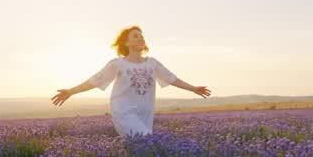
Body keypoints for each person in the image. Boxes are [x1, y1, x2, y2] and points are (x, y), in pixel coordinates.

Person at [51, 25, 210, 136]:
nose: (140, 38)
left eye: (142, 36)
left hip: (146, 113)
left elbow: (172, 78)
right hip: (124, 112)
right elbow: (95, 80)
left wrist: (194, 88)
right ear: (126, 43)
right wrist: (70, 91)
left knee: (143, 151)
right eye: (136, 36)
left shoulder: (152, 63)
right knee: (147, 141)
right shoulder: (118, 64)